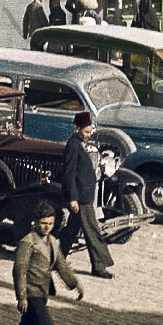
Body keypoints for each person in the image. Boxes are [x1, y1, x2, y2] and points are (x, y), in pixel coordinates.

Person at [5, 201, 83, 325]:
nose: (47, 227)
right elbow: (20, 270)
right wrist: (22, 297)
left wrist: (75, 283)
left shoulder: (53, 242)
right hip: (31, 293)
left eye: (50, 224)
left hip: (43, 292)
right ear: (34, 222)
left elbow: (61, 264)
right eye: (43, 223)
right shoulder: (27, 242)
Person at [58, 112, 114, 278]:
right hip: (80, 198)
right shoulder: (73, 145)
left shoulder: (79, 144)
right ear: (77, 129)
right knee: (92, 230)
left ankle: (56, 259)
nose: (88, 135)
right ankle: (99, 266)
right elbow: (69, 174)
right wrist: (73, 198)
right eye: (86, 132)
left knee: (70, 231)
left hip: (85, 195)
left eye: (90, 132)